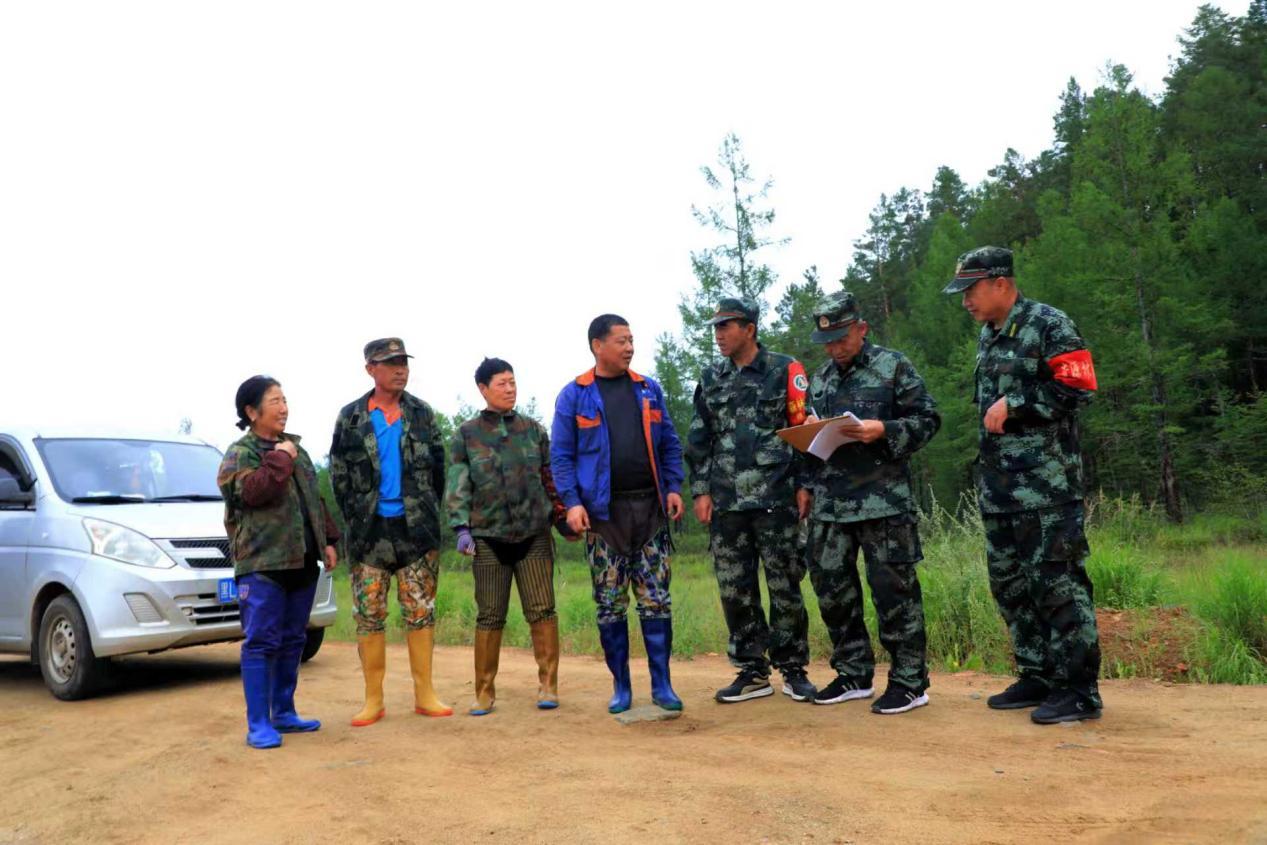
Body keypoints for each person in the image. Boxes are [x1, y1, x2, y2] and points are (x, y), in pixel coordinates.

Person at [943, 246, 1103, 724]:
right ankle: (1038, 675)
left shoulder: (1049, 324)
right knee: (1011, 587)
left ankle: (1078, 689)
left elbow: (1078, 387)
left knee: (1058, 586)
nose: (965, 301)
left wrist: (1016, 405)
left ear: (1000, 283)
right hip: (1000, 491)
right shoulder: (990, 335)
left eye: (970, 291)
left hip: (1045, 489)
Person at [802, 292, 940, 714]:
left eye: (841, 338)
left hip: (883, 502)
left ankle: (909, 682)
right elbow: (814, 445)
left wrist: (885, 429)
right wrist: (810, 432)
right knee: (833, 592)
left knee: (893, 593)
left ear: (861, 329)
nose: (834, 348)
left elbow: (928, 420)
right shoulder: (820, 379)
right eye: (827, 342)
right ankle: (853, 674)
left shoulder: (893, 366)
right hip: (831, 504)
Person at [550, 314, 686, 713]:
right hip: (603, 517)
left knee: (656, 600)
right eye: (621, 341)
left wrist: (673, 487)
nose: (629, 347)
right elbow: (561, 457)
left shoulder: (648, 389)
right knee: (610, 604)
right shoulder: (575, 395)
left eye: (631, 340)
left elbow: (670, 444)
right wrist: (572, 503)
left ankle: (662, 685)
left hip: (650, 512)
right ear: (598, 345)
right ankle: (621, 687)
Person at [685, 297, 816, 704]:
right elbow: (699, 438)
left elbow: (803, 430)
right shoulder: (711, 378)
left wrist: (805, 484)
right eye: (715, 327)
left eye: (726, 326)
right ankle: (752, 670)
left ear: (750, 329)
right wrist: (701, 490)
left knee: (784, 585)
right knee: (735, 589)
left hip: (776, 496)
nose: (718, 335)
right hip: (727, 502)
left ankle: (793, 668)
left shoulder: (784, 370)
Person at [329, 337, 452, 725]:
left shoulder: (422, 413)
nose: (401, 369)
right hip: (369, 533)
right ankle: (373, 700)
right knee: (369, 614)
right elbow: (339, 477)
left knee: (421, 611)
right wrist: (357, 518)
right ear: (371, 369)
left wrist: (427, 512)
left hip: (416, 531)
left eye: (404, 362)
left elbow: (439, 470)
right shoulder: (350, 418)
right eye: (391, 363)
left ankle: (425, 693)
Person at [217, 376, 339, 749]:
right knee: (261, 642)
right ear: (251, 411)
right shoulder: (240, 454)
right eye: (275, 401)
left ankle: (283, 712)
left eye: (285, 400)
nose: (284, 408)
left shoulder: (297, 451)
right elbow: (253, 492)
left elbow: (313, 499)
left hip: (301, 561)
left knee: (293, 639)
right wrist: (281, 457)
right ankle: (258, 724)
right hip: (263, 563)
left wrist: (329, 540)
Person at [445, 357, 571, 715]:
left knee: (542, 610)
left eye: (513, 382)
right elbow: (458, 483)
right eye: (501, 383)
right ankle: (484, 692)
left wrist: (562, 518)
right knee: (489, 616)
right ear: (483, 389)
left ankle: (548, 685)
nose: (510, 388)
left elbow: (550, 478)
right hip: (488, 538)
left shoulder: (533, 430)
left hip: (534, 534)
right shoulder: (467, 434)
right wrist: (461, 528)